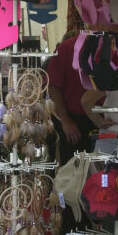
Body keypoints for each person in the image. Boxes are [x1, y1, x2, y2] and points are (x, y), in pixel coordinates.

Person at [47, 30, 97, 166]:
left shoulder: (117, 47)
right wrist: (66, 121)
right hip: (75, 122)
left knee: (102, 174)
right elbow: (53, 87)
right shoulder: (67, 48)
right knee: (73, 174)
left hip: (106, 120)